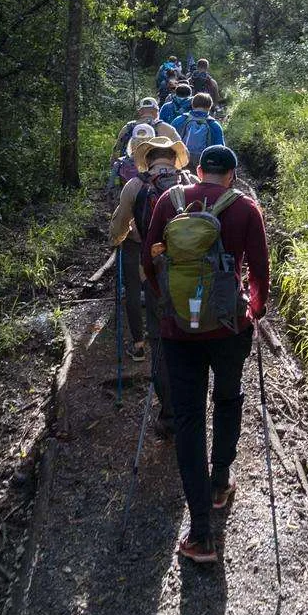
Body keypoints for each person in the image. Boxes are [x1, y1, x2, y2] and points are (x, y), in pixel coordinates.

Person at [143, 145, 270, 564]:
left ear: (198, 171)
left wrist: (172, 307)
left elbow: (148, 262)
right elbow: (259, 273)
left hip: (178, 331)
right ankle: (220, 482)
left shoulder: (168, 202)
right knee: (228, 397)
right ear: (231, 175)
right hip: (228, 327)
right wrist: (252, 310)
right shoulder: (246, 209)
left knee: (189, 418)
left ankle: (200, 534)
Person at [109, 135, 196, 430]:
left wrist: (120, 239)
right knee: (195, 332)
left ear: (147, 159)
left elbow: (118, 226)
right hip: (193, 275)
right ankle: (194, 404)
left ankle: (169, 412)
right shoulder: (189, 182)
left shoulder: (136, 186)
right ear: (174, 158)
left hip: (154, 274)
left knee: (160, 339)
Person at [111, 98, 181, 163]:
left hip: (128, 171)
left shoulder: (127, 128)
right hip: (156, 171)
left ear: (140, 112)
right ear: (156, 111)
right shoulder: (167, 128)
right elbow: (181, 151)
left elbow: (116, 151)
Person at [106, 121, 155, 210]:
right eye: (138, 142)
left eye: (143, 142)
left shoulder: (120, 163)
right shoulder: (158, 163)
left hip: (128, 206)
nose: (140, 144)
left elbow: (110, 189)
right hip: (151, 206)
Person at [172, 92, 224, 169]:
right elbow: (220, 149)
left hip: (181, 162)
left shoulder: (179, 120)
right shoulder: (214, 125)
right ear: (209, 107)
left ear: (192, 105)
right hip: (205, 165)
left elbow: (170, 142)